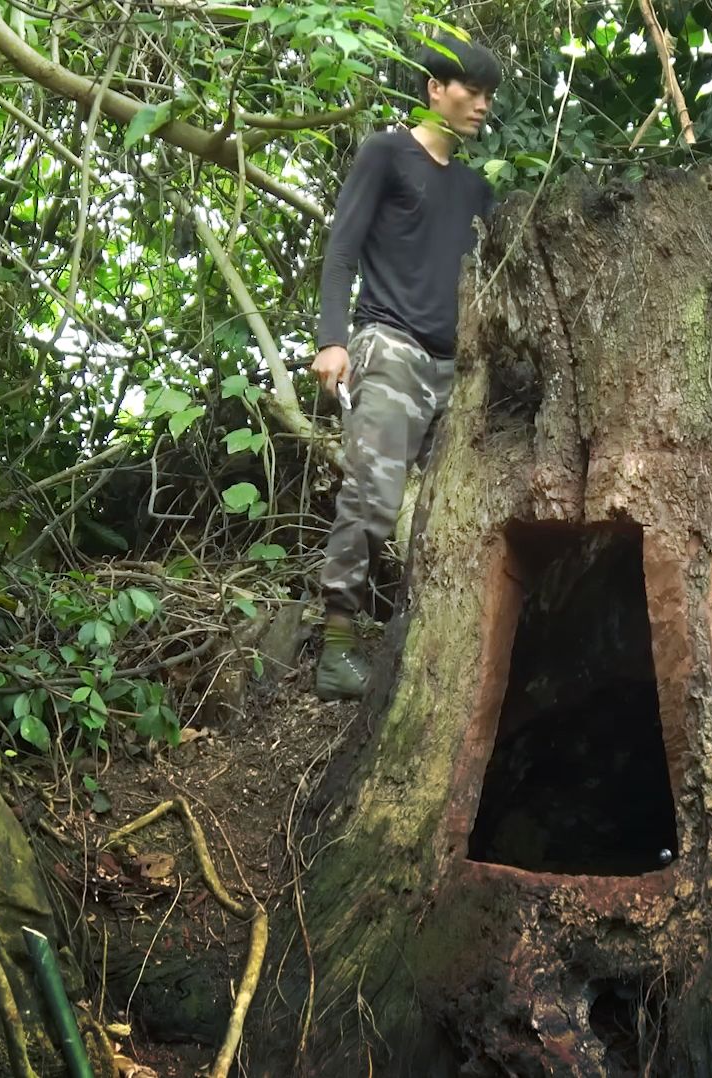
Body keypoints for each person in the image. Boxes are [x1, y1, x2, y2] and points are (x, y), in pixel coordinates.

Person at [310, 39, 501, 700]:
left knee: (459, 512)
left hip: (459, 371)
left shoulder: (478, 189)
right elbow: (341, 251)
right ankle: (336, 648)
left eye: (488, 94)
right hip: (388, 347)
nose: (482, 104)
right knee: (373, 496)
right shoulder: (386, 154)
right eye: (470, 89)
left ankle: (443, 647)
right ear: (434, 90)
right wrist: (333, 339)